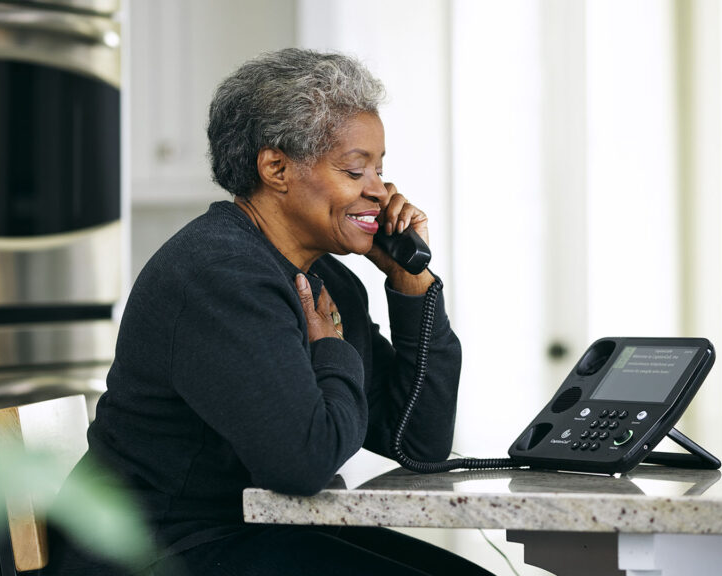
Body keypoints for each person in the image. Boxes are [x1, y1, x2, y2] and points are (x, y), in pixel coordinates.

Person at [47, 49, 492, 575]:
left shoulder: (330, 282)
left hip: (250, 534)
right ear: (276, 167)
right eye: (355, 169)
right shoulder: (221, 274)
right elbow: (303, 463)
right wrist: (330, 349)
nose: (379, 190)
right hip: (154, 550)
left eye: (380, 168)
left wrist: (411, 283)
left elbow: (418, 440)